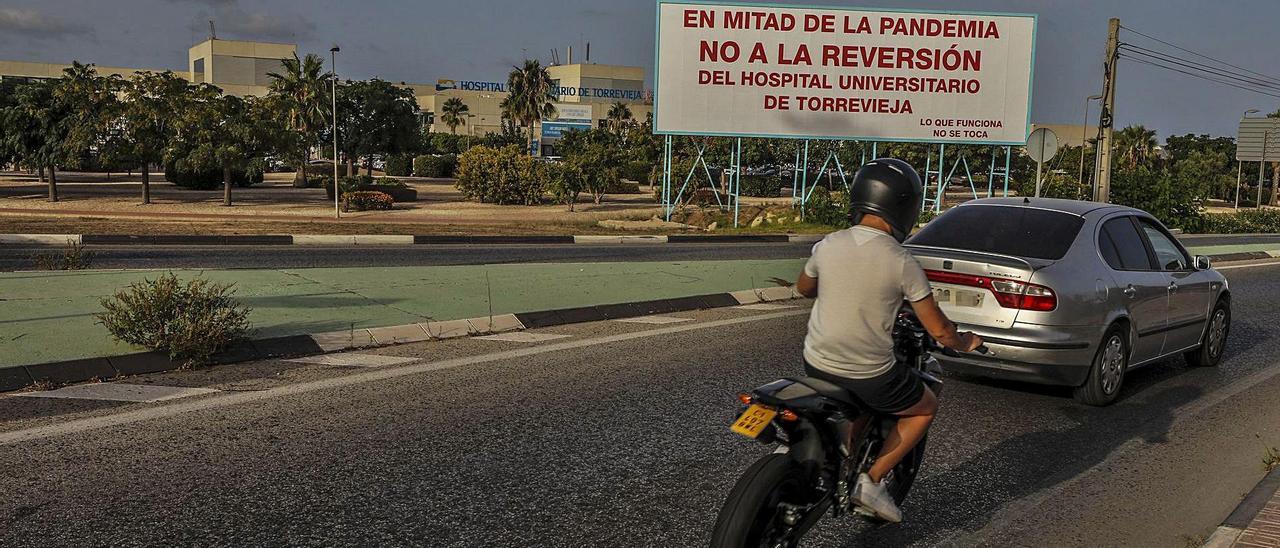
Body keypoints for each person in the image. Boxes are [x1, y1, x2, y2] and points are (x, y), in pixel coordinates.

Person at [793, 158, 982, 523]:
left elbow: (804, 288)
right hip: (867, 372)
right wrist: (967, 342)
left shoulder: (829, 244)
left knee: (859, 398)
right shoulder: (901, 262)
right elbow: (939, 330)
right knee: (924, 406)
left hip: (815, 360)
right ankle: (872, 480)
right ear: (904, 207)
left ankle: (841, 445)